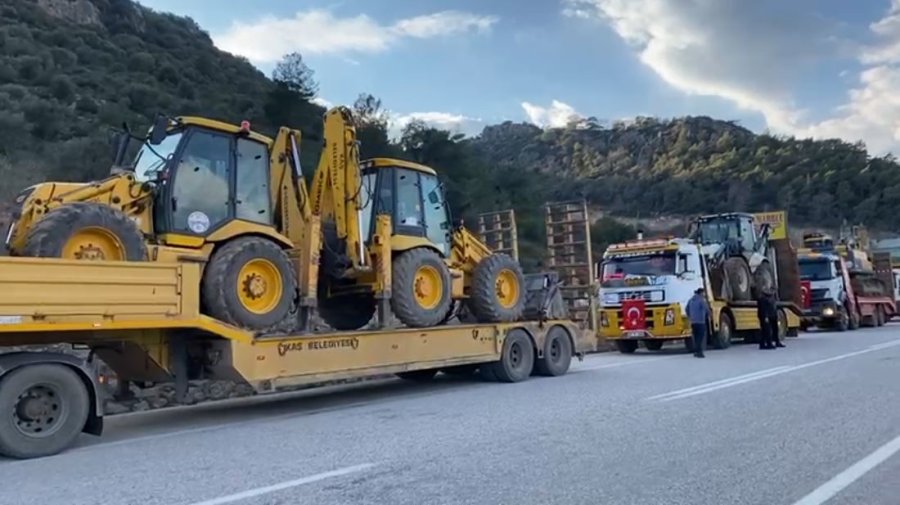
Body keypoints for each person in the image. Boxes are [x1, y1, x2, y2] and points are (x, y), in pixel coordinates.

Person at [685, 287, 710, 358]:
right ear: (701, 293)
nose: (704, 294)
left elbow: (686, 309)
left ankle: (696, 352)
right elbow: (706, 309)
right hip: (700, 322)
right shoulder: (701, 300)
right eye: (703, 293)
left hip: (693, 322)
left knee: (696, 337)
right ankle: (699, 352)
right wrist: (709, 315)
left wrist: (690, 316)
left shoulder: (690, 300)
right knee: (700, 338)